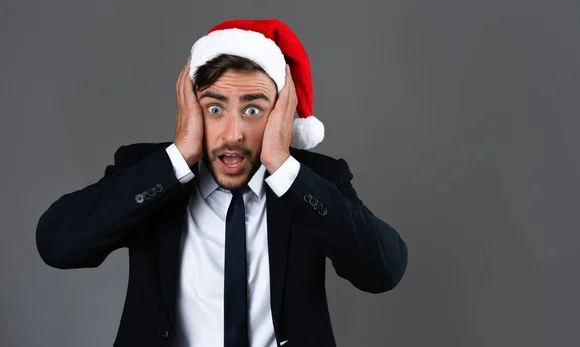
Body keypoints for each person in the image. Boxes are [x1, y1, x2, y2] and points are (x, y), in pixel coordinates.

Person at [36, 19, 408, 347]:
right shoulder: (147, 172)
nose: (233, 134)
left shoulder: (315, 181)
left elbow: (384, 271)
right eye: (214, 108)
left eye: (253, 109)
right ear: (191, 109)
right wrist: (177, 157)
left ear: (280, 114)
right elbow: (57, 244)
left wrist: (283, 167)